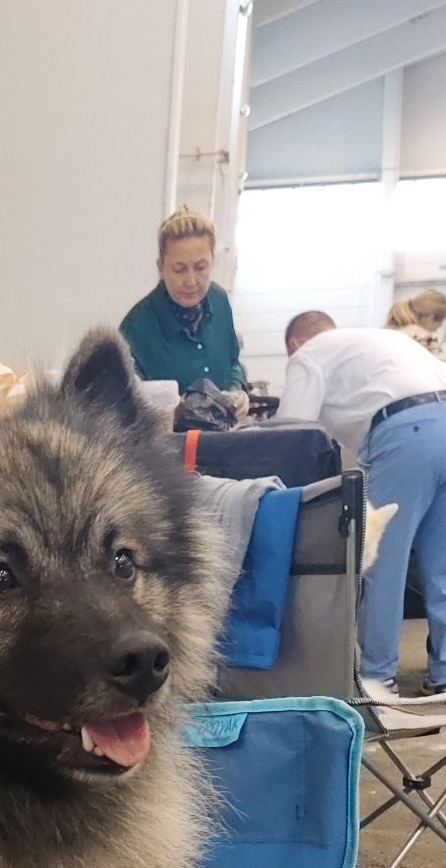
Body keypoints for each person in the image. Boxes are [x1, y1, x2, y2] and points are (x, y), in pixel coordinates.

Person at [278, 311, 446, 699]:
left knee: (382, 562)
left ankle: (377, 680)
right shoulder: (377, 342)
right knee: (441, 566)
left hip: (406, 434)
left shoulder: (307, 355)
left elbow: (292, 435)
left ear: (293, 344)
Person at [120, 207, 249, 408]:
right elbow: (125, 404)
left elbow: (233, 363)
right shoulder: (137, 327)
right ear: (161, 268)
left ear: (212, 263)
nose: (191, 281)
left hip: (226, 425)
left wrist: (237, 391)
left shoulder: (219, 301)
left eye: (201, 268)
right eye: (179, 269)